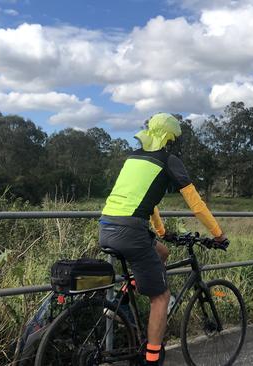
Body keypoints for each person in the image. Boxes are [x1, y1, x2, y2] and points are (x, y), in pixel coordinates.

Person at [98, 113, 228, 365]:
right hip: (131, 232)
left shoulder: (134, 157)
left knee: (162, 252)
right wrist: (218, 234)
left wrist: (162, 233)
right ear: (170, 138)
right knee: (161, 297)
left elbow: (149, 202)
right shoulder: (169, 160)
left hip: (106, 227)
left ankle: (122, 302)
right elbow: (196, 205)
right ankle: (152, 357)